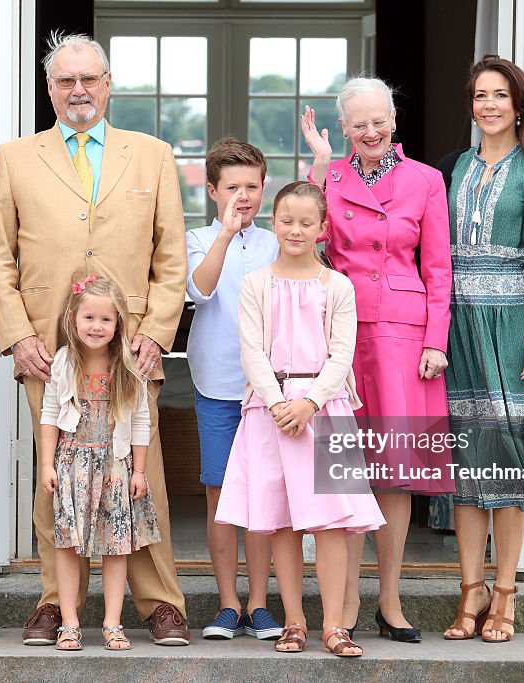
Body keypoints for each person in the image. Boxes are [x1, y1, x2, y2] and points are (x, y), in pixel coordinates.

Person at [0, 32, 189, 646]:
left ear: (107, 85)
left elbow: (170, 257)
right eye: (65, 80)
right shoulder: (15, 157)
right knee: (55, 477)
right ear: (49, 89)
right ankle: (54, 602)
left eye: (89, 79)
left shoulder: (150, 154)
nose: (78, 90)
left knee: (138, 474)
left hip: (130, 349)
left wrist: (155, 333)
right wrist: (17, 336)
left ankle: (161, 603)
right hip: (48, 349)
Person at [301, 77, 453, 642]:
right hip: (337, 331)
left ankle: (389, 599)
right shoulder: (330, 177)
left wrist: (436, 339)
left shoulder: (426, 181)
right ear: (342, 128)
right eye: (357, 123)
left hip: (403, 336)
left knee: (395, 471)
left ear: (395, 120)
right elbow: (304, 240)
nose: (370, 131)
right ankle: (341, 603)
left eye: (379, 120)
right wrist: (318, 163)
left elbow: (439, 267)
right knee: (341, 466)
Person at [215, 181, 385, 658]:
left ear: (323, 229)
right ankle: (293, 621)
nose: (295, 229)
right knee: (281, 521)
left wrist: (309, 403)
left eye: (306, 222)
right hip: (268, 412)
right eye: (286, 220)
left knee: (330, 523)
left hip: (325, 411)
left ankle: (334, 626)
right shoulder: (256, 284)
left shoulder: (339, 286)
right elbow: (251, 351)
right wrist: (276, 403)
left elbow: (343, 353)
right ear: (274, 224)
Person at [436, 55, 524, 643]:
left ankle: (506, 591)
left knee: (508, 462)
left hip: (515, 327)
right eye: (480, 96)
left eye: (500, 96)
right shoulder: (451, 168)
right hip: (459, 324)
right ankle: (470, 591)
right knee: (467, 463)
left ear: (520, 106)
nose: (489, 105)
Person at [186, 137, 282, 641]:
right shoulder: (198, 239)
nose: (242, 195)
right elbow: (199, 290)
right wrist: (225, 233)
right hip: (217, 382)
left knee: (264, 491)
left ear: (264, 188)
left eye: (251, 186)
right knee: (221, 491)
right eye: (231, 187)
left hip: (268, 388)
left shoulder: (273, 242)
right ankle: (228, 603)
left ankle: (261, 603)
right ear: (212, 190)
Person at [37, 276, 160, 651]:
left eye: (106, 320)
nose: (96, 326)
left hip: (115, 465)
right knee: (68, 544)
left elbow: (141, 421)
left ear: (118, 324)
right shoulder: (63, 362)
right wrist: (47, 464)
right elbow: (49, 414)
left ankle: (112, 622)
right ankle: (70, 622)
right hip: (72, 462)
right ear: (73, 319)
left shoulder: (126, 365)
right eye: (89, 317)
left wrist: (139, 470)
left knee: (116, 545)